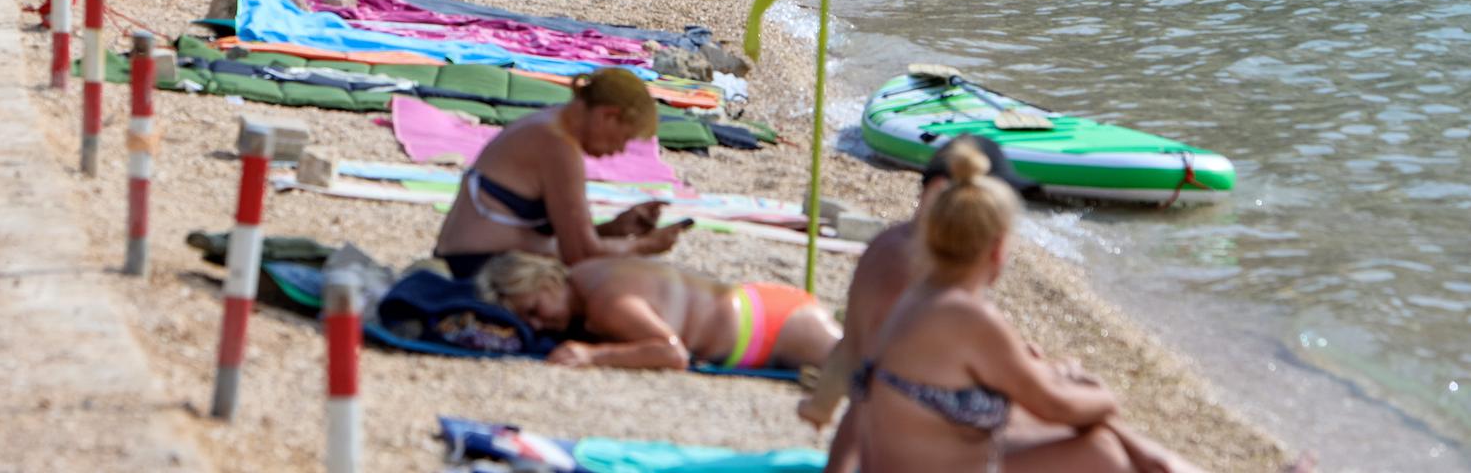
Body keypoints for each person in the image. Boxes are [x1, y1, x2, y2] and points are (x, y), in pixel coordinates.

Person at [850, 139, 1209, 473]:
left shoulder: (921, 297)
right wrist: (1103, 396)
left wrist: (1060, 383)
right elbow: (1056, 406)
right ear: (997, 249)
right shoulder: (969, 316)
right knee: (1101, 454)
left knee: (1096, 440)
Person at [799, 138, 1040, 473]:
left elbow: (852, 353)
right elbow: (874, 385)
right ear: (940, 192)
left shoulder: (890, 243)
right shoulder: (912, 267)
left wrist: (821, 404)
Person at [433, 68, 688, 279]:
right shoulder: (558, 146)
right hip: (476, 273)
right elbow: (580, 255)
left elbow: (565, 239)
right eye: (624, 138)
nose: (619, 150)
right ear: (608, 116)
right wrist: (645, 246)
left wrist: (614, 228)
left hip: (469, 261)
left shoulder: (548, 123)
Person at [477, 252, 841, 372]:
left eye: (535, 309)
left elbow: (671, 352)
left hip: (771, 328)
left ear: (546, 280)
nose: (539, 324)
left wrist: (593, 355)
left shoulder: (607, 303)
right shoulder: (587, 271)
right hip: (762, 305)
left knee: (865, 371)